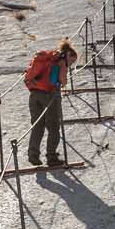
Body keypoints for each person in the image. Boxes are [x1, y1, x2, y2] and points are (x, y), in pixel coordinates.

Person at [26, 39, 77, 167]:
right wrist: (64, 76)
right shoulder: (61, 62)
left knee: (37, 125)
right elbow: (63, 81)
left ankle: (33, 155)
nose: (71, 64)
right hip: (49, 95)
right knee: (53, 126)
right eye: (72, 61)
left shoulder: (49, 58)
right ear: (68, 55)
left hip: (34, 94)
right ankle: (51, 157)